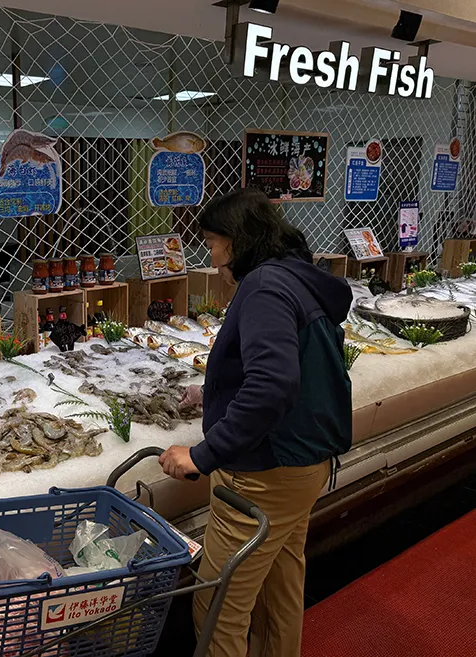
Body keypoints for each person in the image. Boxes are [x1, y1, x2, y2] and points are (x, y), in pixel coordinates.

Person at [159, 187, 352, 657]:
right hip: (305, 463)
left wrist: (203, 455)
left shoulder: (264, 286)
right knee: (278, 592)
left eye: (212, 241)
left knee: (218, 606)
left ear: (238, 240)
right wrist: (214, 393)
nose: (212, 254)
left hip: (264, 473)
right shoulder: (294, 276)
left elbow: (272, 385)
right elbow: (290, 366)